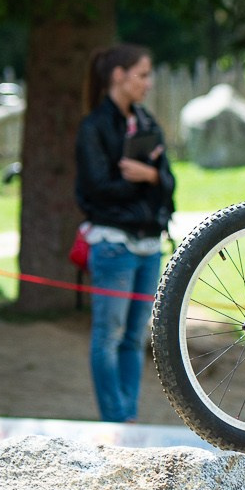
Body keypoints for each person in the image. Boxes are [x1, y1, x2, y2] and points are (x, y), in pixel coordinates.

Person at [74, 44, 175, 423]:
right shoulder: (93, 128)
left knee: (135, 338)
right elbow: (93, 190)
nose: (148, 83)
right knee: (109, 335)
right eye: (142, 74)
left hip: (150, 245)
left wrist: (150, 176)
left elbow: (168, 181)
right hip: (112, 245)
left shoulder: (148, 123)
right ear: (119, 75)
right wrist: (138, 183)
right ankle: (114, 420)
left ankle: (129, 420)